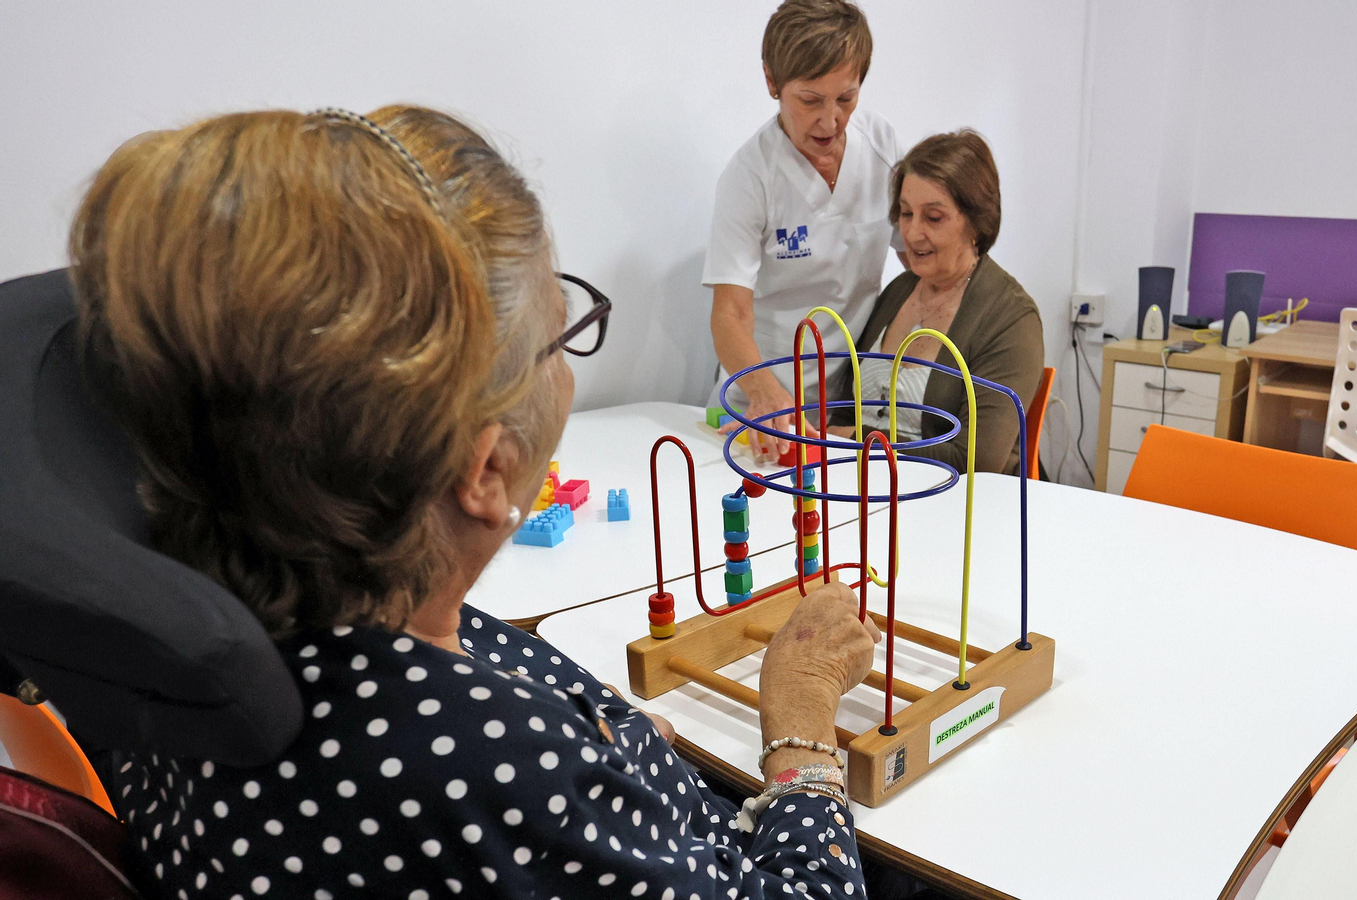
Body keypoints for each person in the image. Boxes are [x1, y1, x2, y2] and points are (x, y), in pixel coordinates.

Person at [74, 106, 882, 899]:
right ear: (488, 470)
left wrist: (626, 755)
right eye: (562, 336)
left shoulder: (186, 616)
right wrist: (802, 723)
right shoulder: (487, 770)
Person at [705, 0, 903, 461]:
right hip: (759, 408)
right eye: (811, 100)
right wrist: (765, 392)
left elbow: (920, 255)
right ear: (772, 82)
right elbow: (729, 315)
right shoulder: (750, 176)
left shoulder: (882, 147)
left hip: (840, 415)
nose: (830, 121)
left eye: (846, 99)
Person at [827, 130, 1044, 475]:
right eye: (906, 213)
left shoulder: (1011, 318)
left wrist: (861, 438)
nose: (912, 233)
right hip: (869, 490)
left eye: (933, 217)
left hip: (957, 511)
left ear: (977, 222)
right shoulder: (899, 291)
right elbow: (842, 413)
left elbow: (978, 460)